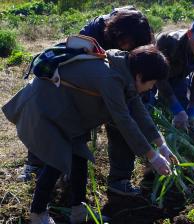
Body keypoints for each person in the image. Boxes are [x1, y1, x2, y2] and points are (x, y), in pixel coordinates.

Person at [2, 45, 178, 224]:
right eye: (152, 83)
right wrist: (152, 156)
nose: (151, 88)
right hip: (46, 108)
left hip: (66, 112)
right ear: (140, 76)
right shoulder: (111, 78)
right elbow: (124, 120)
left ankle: (78, 211)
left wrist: (161, 145)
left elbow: (138, 110)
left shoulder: (124, 69)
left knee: (79, 158)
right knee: (57, 160)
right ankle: (37, 214)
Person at [17, 7, 155, 195]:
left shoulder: (141, 38)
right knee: (60, 122)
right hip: (77, 91)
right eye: (127, 44)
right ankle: (36, 165)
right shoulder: (95, 33)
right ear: (118, 34)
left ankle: (119, 179)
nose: (128, 49)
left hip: (115, 88)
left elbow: (139, 87)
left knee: (123, 121)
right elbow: (73, 61)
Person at [155, 17, 194, 133]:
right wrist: (176, 109)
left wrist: (193, 110)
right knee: (150, 104)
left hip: (179, 77)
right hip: (151, 76)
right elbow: (159, 77)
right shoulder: (168, 42)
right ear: (189, 34)